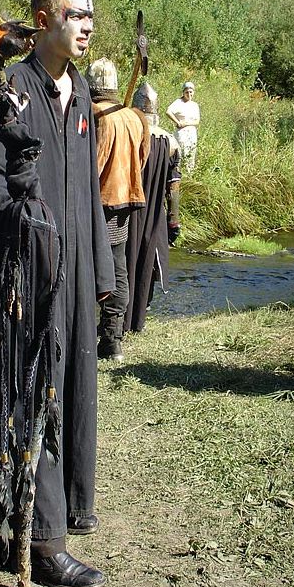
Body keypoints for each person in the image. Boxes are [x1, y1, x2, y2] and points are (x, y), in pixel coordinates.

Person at [0, 0, 114, 587]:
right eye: (78, 14)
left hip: (75, 272)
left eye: (92, 15)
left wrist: (101, 271)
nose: (88, 24)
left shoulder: (80, 93)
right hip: (27, 272)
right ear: (44, 19)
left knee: (73, 386)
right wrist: (22, 234)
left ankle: (65, 505)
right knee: (36, 394)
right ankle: (44, 542)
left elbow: (88, 191)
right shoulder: (11, 89)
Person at [85, 57, 150, 361]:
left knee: (87, 268)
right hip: (124, 199)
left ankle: (98, 337)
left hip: (97, 201)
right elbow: (142, 160)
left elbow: (89, 164)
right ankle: (112, 339)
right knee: (117, 269)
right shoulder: (135, 118)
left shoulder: (95, 114)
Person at [125, 82, 182, 333]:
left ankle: (121, 320)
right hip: (155, 211)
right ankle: (139, 320)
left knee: (126, 263)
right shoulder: (170, 141)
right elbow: (174, 187)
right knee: (147, 260)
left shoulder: (128, 132)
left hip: (127, 209)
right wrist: (174, 219)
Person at [166, 81, 200, 173]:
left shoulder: (195, 105)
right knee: (181, 153)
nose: (189, 94)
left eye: (191, 92)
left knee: (191, 154)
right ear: (183, 92)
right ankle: (177, 174)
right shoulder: (178, 102)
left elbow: (197, 121)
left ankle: (189, 174)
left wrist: (187, 123)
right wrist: (177, 122)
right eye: (187, 92)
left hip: (191, 132)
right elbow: (168, 111)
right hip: (181, 133)